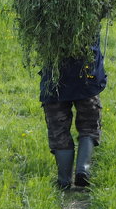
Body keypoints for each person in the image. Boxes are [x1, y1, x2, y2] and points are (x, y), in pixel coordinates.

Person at [40, 34, 106, 190]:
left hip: (55, 79)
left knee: (58, 128)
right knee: (89, 123)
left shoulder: (44, 14)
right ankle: (83, 169)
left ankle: (64, 180)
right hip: (86, 76)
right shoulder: (89, 13)